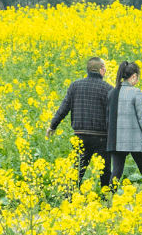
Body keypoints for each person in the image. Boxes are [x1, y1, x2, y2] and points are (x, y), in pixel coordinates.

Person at [47, 57, 113, 191]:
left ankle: (68, 198)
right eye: (104, 68)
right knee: (105, 171)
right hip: (102, 136)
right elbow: (114, 115)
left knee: (77, 170)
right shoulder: (108, 89)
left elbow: (64, 108)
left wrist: (53, 125)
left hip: (80, 135)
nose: (105, 70)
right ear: (101, 70)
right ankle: (107, 200)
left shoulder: (75, 86)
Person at [107, 61, 142, 192]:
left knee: (116, 172)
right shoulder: (136, 92)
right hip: (135, 140)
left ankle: (108, 198)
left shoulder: (112, 93)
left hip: (116, 141)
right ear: (134, 76)